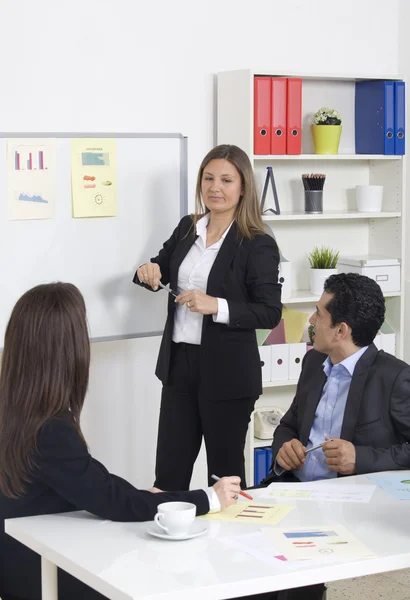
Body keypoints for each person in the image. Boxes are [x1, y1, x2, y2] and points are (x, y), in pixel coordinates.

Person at [0, 283, 241, 600]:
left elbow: (91, 479)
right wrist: (207, 498)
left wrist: (153, 494)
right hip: (43, 572)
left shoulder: (17, 411)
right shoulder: (51, 430)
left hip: (17, 562)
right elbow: (109, 500)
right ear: (66, 350)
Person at [134, 144, 282, 490]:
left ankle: (232, 543)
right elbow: (162, 266)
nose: (215, 187)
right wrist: (149, 270)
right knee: (169, 474)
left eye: (226, 180)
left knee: (225, 478)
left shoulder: (257, 242)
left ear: (243, 187)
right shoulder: (189, 227)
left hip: (228, 373)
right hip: (179, 365)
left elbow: (269, 312)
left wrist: (216, 305)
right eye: (209, 178)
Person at [260, 272, 410, 600]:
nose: (311, 321)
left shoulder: (394, 378)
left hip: (344, 506)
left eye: (319, 314)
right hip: (292, 492)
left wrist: (361, 458)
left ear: (341, 331)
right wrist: (284, 446)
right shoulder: (315, 362)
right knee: (245, 563)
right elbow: (289, 423)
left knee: (284, 583)